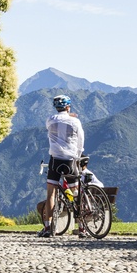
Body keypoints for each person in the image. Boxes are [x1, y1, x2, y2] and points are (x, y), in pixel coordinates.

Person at [38, 94, 85, 238]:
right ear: (68, 106)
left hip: (55, 159)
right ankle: (82, 227)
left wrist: (67, 114)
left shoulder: (50, 120)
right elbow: (80, 140)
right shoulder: (75, 122)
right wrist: (78, 154)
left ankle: (47, 227)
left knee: (51, 193)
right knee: (76, 193)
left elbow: (58, 120)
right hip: (70, 159)